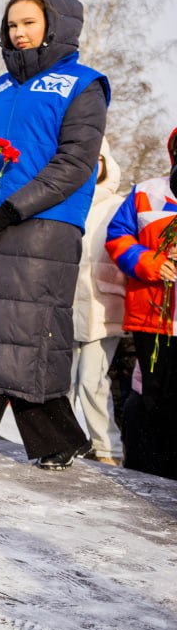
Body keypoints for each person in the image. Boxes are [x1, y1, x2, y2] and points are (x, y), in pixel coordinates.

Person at [0, 0, 108, 475]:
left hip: (45, 226)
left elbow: (75, 164)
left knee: (11, 331)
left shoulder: (84, 84)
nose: (17, 32)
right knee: (16, 333)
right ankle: (59, 439)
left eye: (28, 23)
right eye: (12, 24)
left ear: (55, 26)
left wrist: (13, 210)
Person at [106, 126, 177, 479]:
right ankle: (144, 473)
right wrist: (149, 262)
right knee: (149, 399)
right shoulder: (147, 192)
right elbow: (118, 236)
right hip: (152, 317)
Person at [71, 139, 127, 464]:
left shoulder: (118, 205)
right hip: (64, 305)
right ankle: (60, 441)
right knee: (60, 381)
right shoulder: (65, 201)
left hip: (102, 306)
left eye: (98, 161)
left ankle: (107, 449)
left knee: (93, 380)